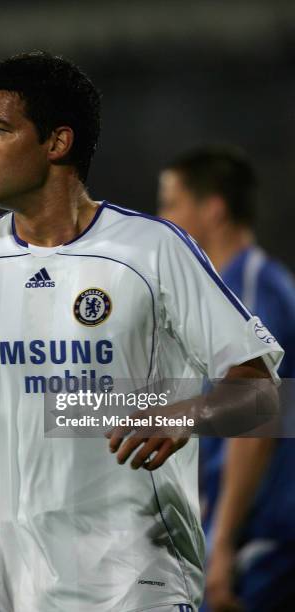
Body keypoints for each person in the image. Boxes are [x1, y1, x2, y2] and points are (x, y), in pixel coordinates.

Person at [0, 53, 282, 612]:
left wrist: (186, 415)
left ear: (57, 143)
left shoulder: (153, 251)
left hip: (139, 590)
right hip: (7, 598)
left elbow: (262, 396)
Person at [158, 145, 295, 612]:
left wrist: (220, 546)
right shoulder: (222, 291)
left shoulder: (252, 289)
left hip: (264, 540)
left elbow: (255, 424)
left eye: (172, 204)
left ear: (213, 209)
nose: (163, 218)